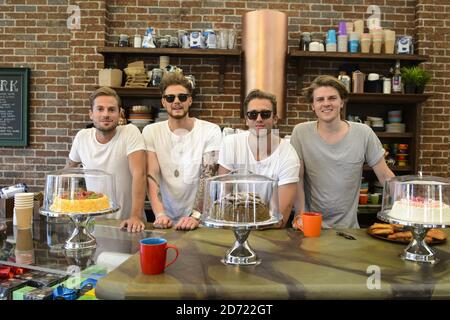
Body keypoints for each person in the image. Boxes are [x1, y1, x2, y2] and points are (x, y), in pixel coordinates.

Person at [290, 75, 395, 228]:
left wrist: (408, 204)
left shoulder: (363, 133)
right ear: (313, 105)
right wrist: (299, 214)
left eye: (332, 98)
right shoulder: (300, 132)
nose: (326, 104)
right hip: (309, 226)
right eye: (320, 99)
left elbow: (385, 176)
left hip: (349, 229)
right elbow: (297, 178)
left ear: (341, 102)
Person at [142, 73, 222, 231]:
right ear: (163, 102)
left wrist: (195, 216)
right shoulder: (151, 131)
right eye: (170, 98)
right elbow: (152, 176)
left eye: (182, 97)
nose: (176, 101)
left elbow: (208, 177)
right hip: (165, 220)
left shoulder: (210, 131)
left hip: (202, 220)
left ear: (190, 100)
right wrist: (159, 214)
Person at [67, 87, 147, 232]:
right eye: (100, 109)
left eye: (111, 109)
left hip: (128, 224)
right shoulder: (82, 137)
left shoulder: (130, 132)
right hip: (92, 224)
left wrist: (135, 216)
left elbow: (139, 174)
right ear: (91, 114)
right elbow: (68, 172)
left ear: (120, 113)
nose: (106, 114)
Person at [218, 89, 300, 227]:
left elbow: (280, 218)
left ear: (274, 119)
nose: (259, 119)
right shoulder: (231, 143)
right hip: (234, 227)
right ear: (246, 119)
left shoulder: (288, 154)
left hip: (270, 234)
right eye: (253, 114)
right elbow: (223, 199)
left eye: (265, 114)